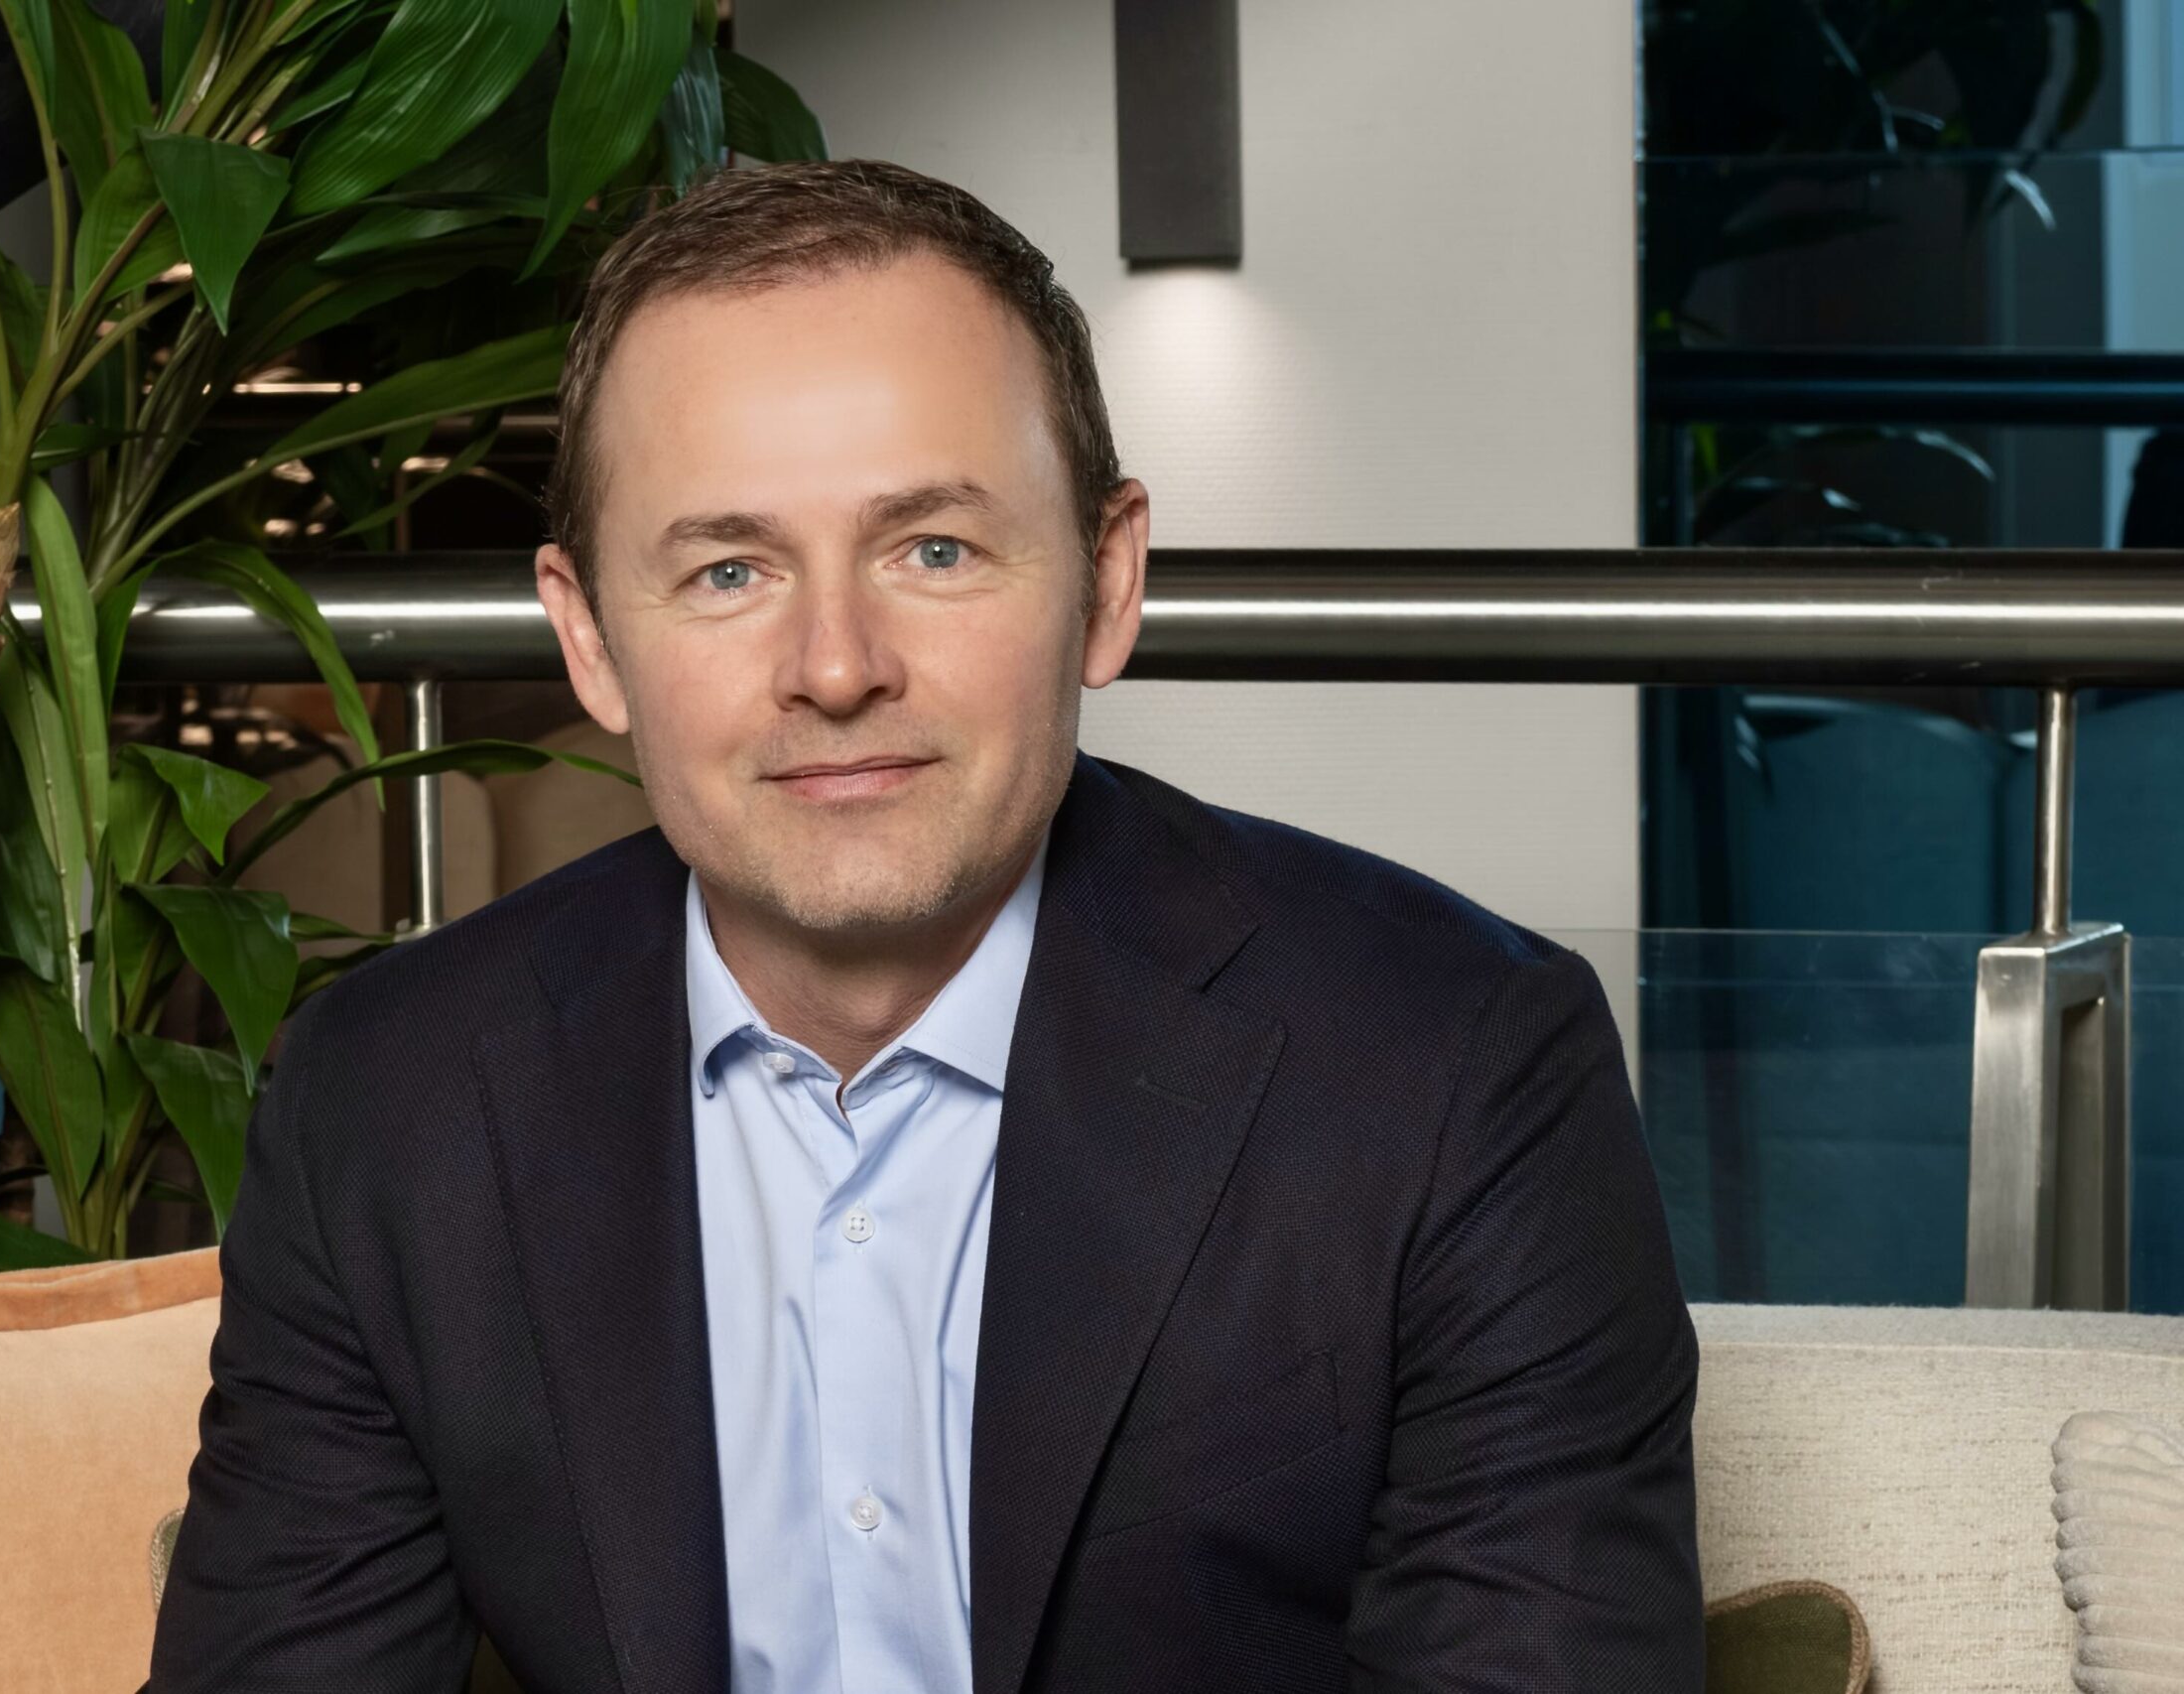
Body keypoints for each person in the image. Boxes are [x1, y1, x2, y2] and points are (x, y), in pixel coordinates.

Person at [148, 157, 1702, 1694]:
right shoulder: (390, 1107)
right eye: (729, 569)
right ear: (592, 640)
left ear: (1105, 582)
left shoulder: (1455, 1070)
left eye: (933, 550)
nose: (835, 668)